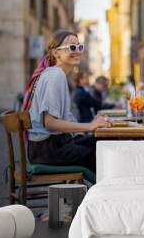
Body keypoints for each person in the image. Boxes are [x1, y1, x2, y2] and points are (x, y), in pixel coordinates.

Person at [22, 30, 111, 177]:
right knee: (105, 153)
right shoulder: (55, 75)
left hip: (49, 146)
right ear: (56, 53)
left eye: (79, 47)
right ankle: (101, 196)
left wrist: (93, 123)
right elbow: (49, 123)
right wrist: (89, 126)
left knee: (101, 141)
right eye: (72, 47)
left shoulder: (54, 74)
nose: (77, 52)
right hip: (49, 150)